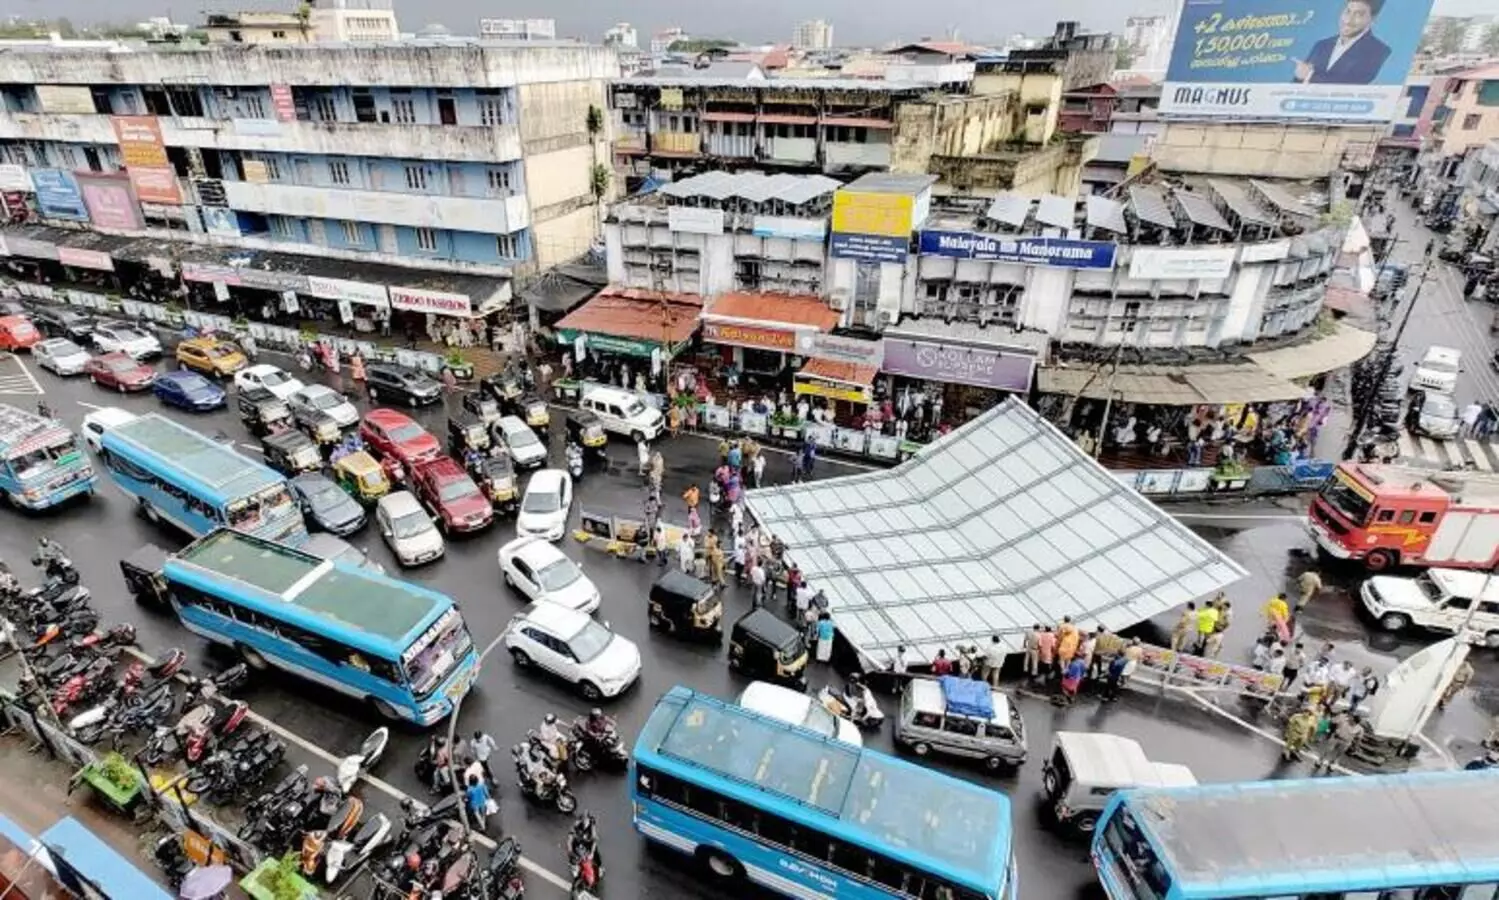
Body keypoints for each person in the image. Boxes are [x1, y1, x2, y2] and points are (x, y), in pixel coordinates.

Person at [1293, 0, 1392, 86]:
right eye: (1347, 11)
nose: (1348, 20)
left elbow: (1351, 85)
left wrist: (1309, 75)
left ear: (1373, 19)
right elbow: (1297, 84)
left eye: (1358, 14)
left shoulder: (1378, 50)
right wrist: (1299, 76)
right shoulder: (1321, 45)